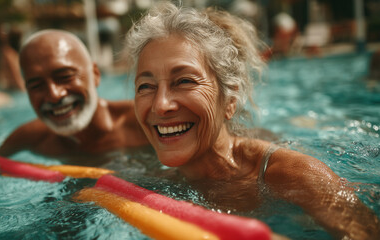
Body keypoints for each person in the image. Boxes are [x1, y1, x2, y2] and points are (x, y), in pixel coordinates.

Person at [124, 3, 380, 240]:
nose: (160, 105)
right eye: (145, 86)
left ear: (230, 100)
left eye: (185, 81)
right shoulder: (158, 184)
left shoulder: (294, 176)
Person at [0, 29, 149, 161]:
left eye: (65, 77)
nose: (54, 95)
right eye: (36, 86)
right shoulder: (31, 138)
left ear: (95, 74)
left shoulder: (144, 122)